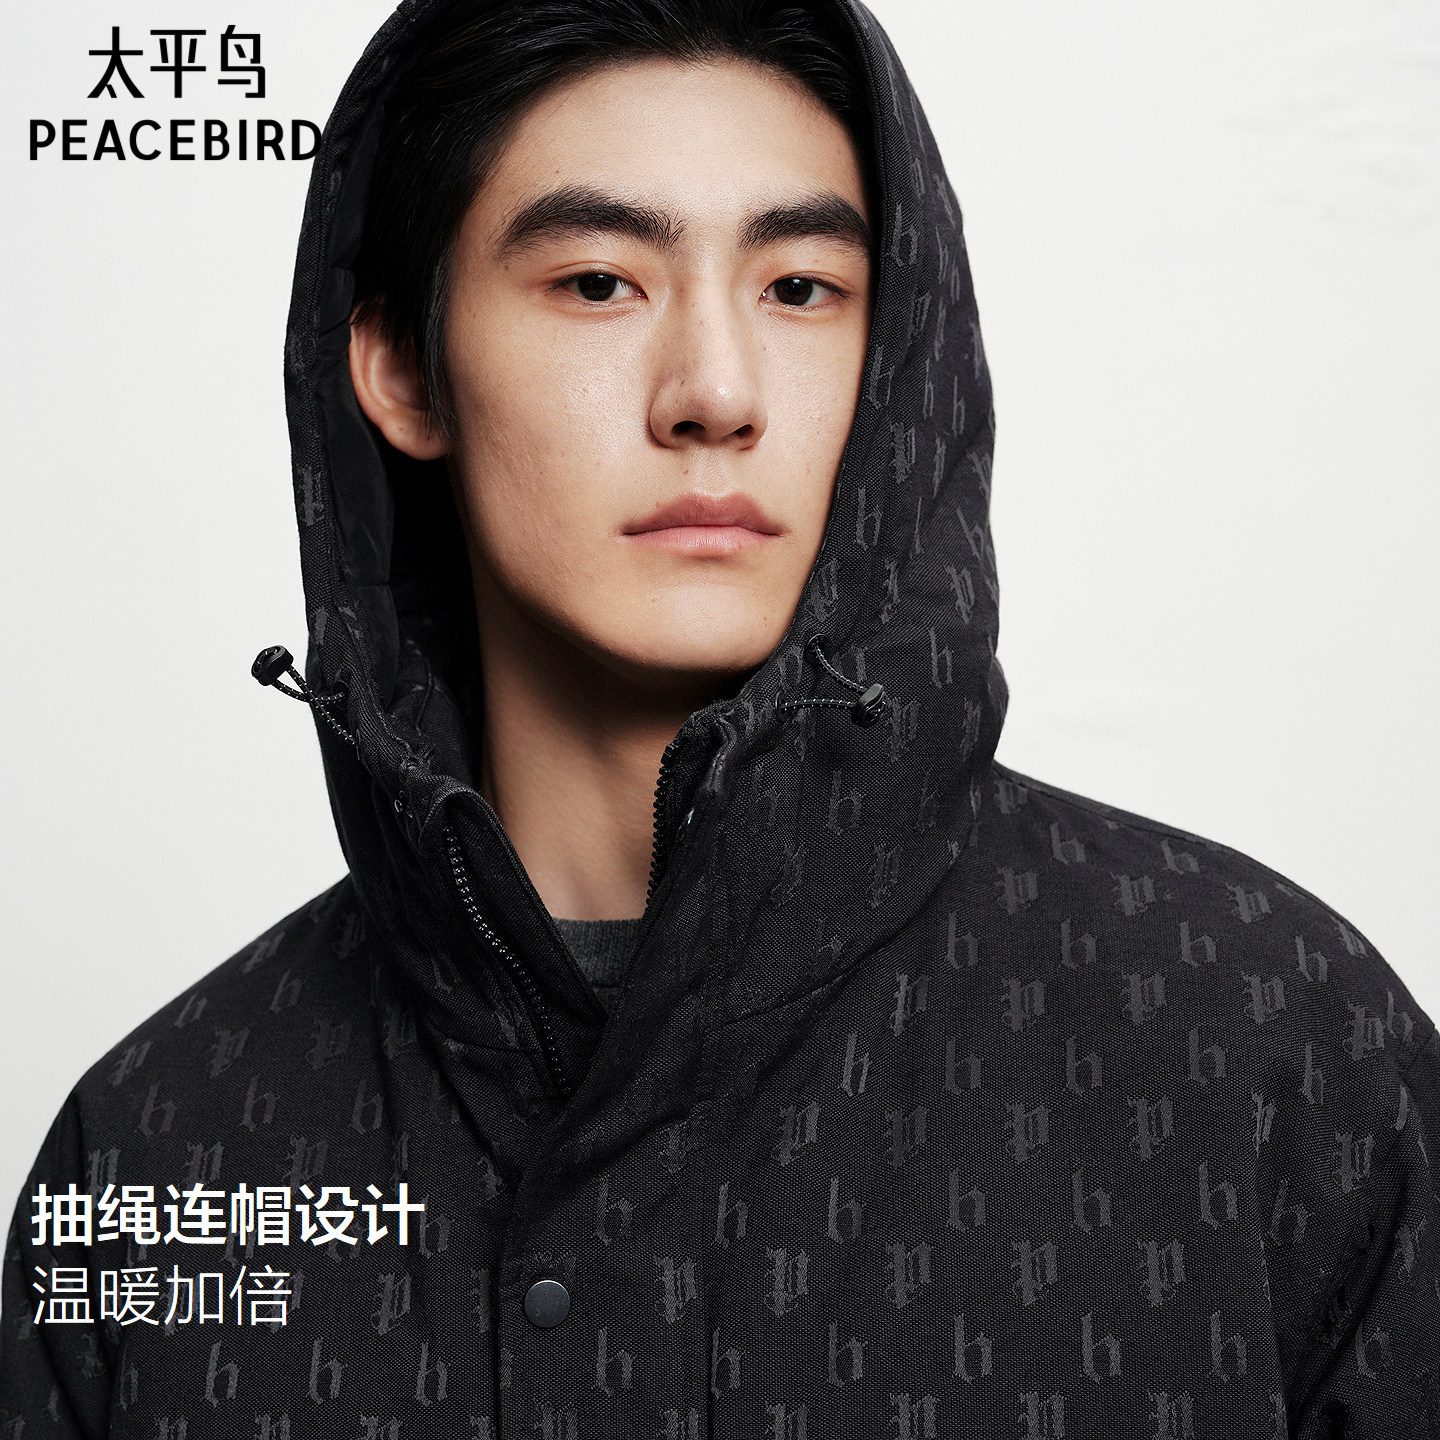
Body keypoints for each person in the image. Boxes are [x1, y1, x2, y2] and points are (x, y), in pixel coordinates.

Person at [3, 0, 1437, 1434]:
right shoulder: (158, 1160)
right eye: (598, 282)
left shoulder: (1275, 1056)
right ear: (397, 365)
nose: (716, 394)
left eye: (801, 288)